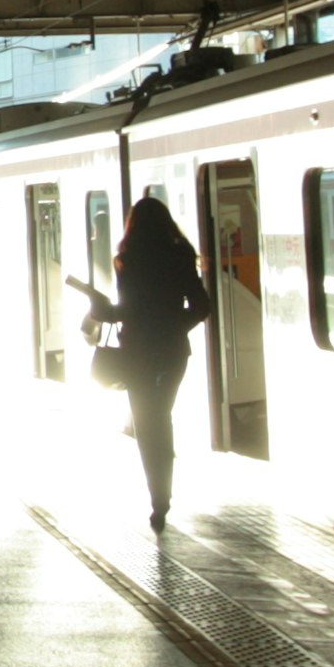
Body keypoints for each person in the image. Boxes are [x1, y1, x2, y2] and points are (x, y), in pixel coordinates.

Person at [106, 192, 212, 526]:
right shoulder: (180, 255)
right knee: (161, 416)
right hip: (173, 350)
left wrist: (102, 311)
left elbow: (126, 309)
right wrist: (174, 325)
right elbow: (201, 306)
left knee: (145, 421)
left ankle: (158, 499)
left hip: (136, 351)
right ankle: (163, 492)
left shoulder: (127, 258)